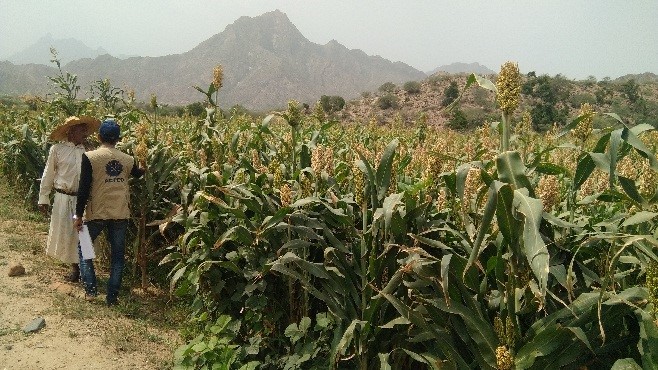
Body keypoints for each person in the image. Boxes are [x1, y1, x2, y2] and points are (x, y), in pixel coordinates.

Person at [73, 118, 145, 305]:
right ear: (118, 139)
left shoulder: (90, 157)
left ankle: (90, 291)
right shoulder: (128, 160)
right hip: (120, 213)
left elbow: (84, 188)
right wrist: (143, 166)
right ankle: (112, 298)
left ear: (99, 137)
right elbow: (138, 173)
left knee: (84, 249)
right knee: (118, 258)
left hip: (97, 212)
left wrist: (78, 215)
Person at [38, 116, 101, 282]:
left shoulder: (89, 150)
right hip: (63, 198)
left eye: (85, 130)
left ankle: (86, 269)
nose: (85, 133)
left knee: (84, 233)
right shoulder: (57, 150)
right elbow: (48, 174)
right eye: (81, 130)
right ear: (71, 131)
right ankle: (74, 268)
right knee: (68, 232)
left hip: (83, 200)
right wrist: (43, 197)